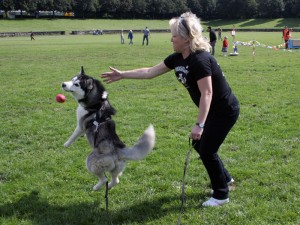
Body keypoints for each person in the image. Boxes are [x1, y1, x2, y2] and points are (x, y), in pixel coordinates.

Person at [101, 12, 240, 207]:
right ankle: (225, 180)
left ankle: (221, 195)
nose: (171, 38)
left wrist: (199, 125)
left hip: (225, 110)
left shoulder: (200, 60)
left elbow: (207, 93)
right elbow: (150, 72)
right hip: (212, 110)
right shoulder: (178, 58)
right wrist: (122, 75)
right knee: (201, 146)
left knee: (207, 149)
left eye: (174, 35)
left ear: (187, 37)